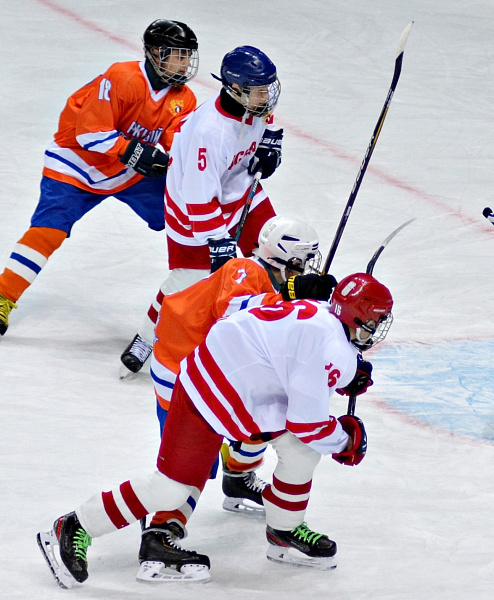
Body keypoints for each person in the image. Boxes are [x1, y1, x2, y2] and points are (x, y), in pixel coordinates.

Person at [37, 272, 392, 586]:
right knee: (172, 489)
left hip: (239, 387)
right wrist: (347, 441)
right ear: (358, 316)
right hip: (212, 394)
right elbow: (308, 423)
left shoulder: (316, 309)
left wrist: (341, 375)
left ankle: (283, 531)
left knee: (301, 451)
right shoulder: (331, 347)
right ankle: (74, 525)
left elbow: (276, 343)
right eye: (374, 321)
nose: (375, 330)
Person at [138, 215, 337, 581]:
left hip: (215, 373)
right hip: (183, 371)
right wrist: (297, 294)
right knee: (190, 466)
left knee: (270, 412)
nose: (308, 266)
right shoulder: (245, 268)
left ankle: (239, 476)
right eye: (303, 259)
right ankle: (160, 531)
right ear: (286, 257)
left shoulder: (276, 281)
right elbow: (236, 314)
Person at [0, 19, 198, 335]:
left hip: (123, 169)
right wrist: (137, 153)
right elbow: (89, 135)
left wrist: (190, 166)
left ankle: (202, 300)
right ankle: (2, 296)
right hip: (75, 163)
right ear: (157, 53)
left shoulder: (183, 99)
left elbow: (178, 147)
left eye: (189, 55)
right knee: (47, 231)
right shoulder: (122, 77)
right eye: (179, 54)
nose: (187, 63)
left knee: (186, 217)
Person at [120, 44, 284, 374]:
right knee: (188, 281)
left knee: (280, 253)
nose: (266, 96)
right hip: (193, 212)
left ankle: (285, 329)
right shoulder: (211, 132)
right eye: (258, 90)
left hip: (239, 191)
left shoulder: (252, 103)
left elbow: (267, 126)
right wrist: (221, 246)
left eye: (268, 88)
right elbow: (198, 200)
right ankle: (146, 336)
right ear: (235, 89)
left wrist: (270, 147)